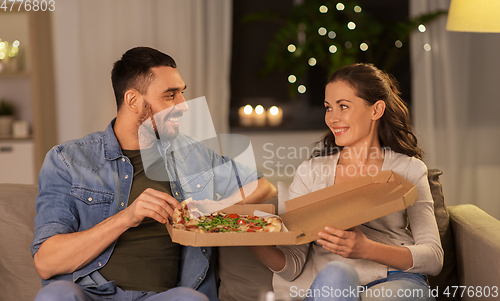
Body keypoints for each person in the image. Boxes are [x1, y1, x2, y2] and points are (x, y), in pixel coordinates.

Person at [31, 46, 277, 301]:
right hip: (89, 294)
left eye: (182, 93)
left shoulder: (191, 154)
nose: (183, 106)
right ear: (133, 100)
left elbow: (263, 186)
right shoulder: (68, 160)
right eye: (170, 96)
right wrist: (128, 216)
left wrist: (213, 209)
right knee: (56, 295)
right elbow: (46, 262)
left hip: (165, 297)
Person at [250, 63, 443, 300]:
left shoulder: (408, 169)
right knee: (337, 272)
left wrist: (365, 249)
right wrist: (251, 240)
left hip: (395, 280)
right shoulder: (311, 173)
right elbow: (292, 265)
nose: (332, 118)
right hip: (334, 286)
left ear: (376, 110)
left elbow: (433, 257)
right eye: (328, 108)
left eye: (343, 106)